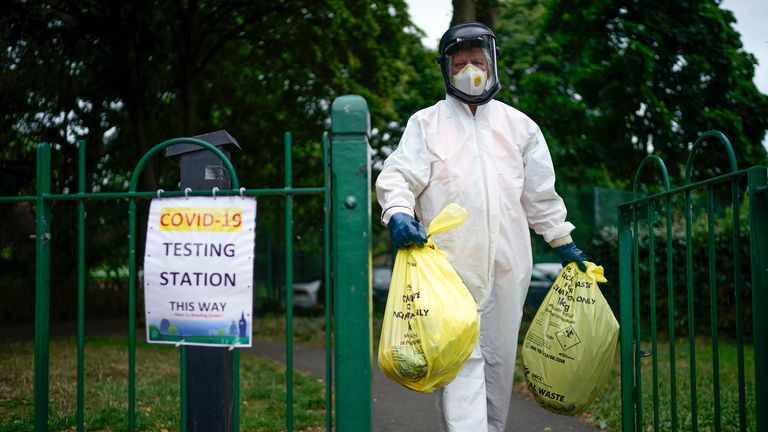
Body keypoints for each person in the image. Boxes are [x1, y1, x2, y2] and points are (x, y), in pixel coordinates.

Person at [375, 22, 589, 432]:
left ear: (491, 64)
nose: (471, 69)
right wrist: (399, 212)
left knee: (496, 357)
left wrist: (562, 240)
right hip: (447, 268)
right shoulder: (427, 123)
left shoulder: (520, 127)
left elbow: (539, 195)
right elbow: (398, 176)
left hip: (509, 265)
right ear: (447, 69)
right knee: (461, 359)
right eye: (461, 63)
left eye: (478, 61)